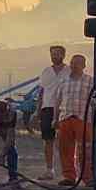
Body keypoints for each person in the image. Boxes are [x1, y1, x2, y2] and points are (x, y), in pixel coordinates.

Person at [51, 53, 94, 187]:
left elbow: (95, 101)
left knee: (85, 150)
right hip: (65, 118)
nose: (74, 65)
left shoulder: (90, 81)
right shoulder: (64, 82)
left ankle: (88, 178)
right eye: (72, 63)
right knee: (65, 149)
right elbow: (57, 101)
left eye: (77, 63)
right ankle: (69, 177)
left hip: (83, 118)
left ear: (84, 65)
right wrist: (55, 118)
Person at [36, 45, 67, 180]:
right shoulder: (46, 71)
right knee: (48, 140)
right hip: (47, 108)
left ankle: (68, 171)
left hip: (64, 108)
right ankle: (50, 170)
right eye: (53, 54)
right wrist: (38, 110)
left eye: (57, 54)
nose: (54, 56)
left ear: (63, 55)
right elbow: (41, 92)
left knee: (65, 140)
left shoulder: (69, 70)